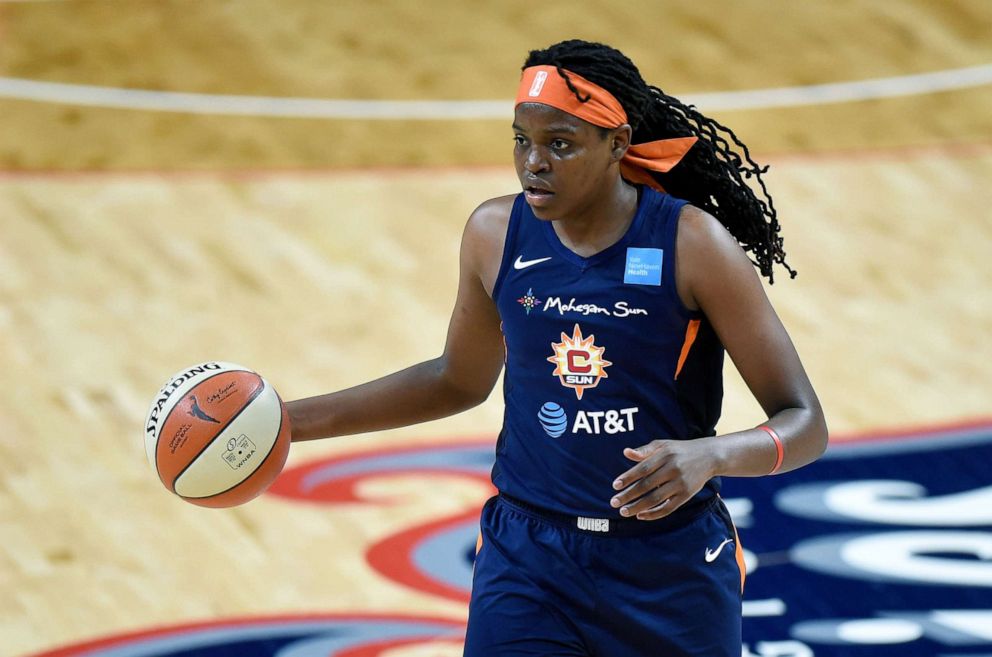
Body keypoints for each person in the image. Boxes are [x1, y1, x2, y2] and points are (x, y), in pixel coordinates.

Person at [287, 39, 828, 657]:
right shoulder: (495, 233)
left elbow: (805, 423)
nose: (533, 163)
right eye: (522, 140)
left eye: (560, 144)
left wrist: (712, 455)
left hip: (669, 571)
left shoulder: (692, 245)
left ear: (617, 145)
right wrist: (286, 424)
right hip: (530, 562)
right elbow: (456, 381)